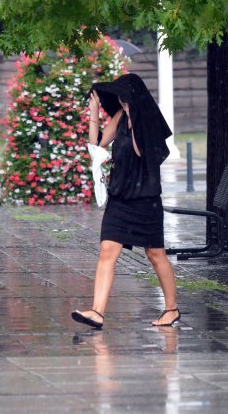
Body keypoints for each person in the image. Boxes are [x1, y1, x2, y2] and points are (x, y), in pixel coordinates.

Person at [71, 73, 181, 329]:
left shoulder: (147, 122)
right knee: (107, 251)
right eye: (119, 98)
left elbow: (141, 151)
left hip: (145, 199)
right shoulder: (119, 117)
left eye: (125, 98)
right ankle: (97, 312)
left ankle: (172, 309)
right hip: (120, 197)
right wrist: (95, 113)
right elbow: (96, 144)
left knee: (155, 255)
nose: (121, 102)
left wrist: (135, 117)